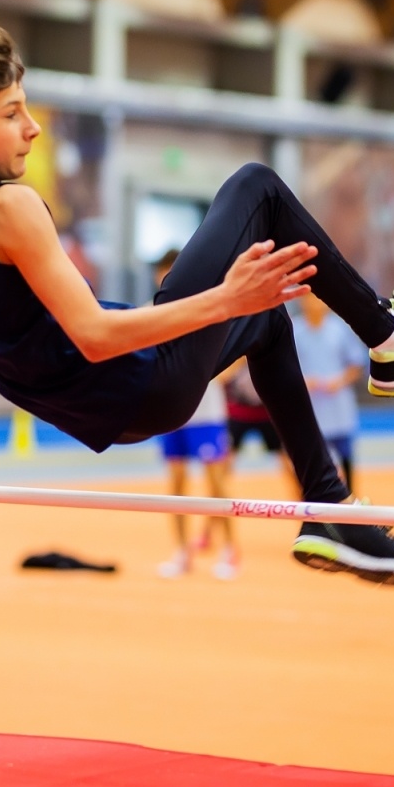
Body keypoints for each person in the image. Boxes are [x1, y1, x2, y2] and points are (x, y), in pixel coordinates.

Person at [0, 22, 394, 585]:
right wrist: (222, 298)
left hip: (104, 407)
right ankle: (390, 339)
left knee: (265, 318)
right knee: (256, 188)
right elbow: (94, 335)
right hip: (137, 378)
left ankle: (327, 505)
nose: (33, 127)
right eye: (12, 113)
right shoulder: (9, 208)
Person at [149, 249, 239, 580]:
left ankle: (230, 550)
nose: (164, 279)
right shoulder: (155, 309)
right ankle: (182, 552)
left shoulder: (207, 306)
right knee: (175, 483)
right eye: (161, 273)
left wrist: (215, 374)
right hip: (171, 411)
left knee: (215, 482)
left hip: (207, 414)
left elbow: (239, 349)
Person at [291, 293, 368, 495]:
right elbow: (287, 366)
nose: (314, 303)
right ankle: (315, 511)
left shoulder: (339, 329)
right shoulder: (295, 331)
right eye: (309, 299)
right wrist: (304, 381)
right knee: (312, 464)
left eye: (318, 298)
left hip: (339, 408)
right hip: (310, 410)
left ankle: (349, 511)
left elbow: (357, 364)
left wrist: (339, 380)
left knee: (346, 461)